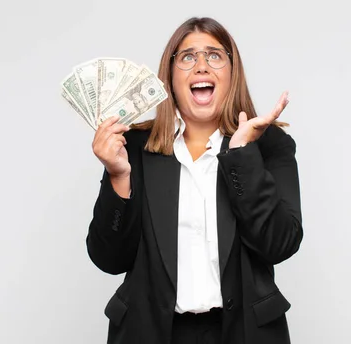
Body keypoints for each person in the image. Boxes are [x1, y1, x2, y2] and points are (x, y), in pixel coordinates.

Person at [86, 16, 303, 344]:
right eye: (187, 57)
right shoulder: (132, 148)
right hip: (153, 333)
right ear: (170, 76)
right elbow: (109, 258)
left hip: (244, 333)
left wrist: (242, 155)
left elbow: (280, 243)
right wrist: (119, 175)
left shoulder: (268, 144)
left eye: (215, 55)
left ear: (232, 72)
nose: (201, 65)